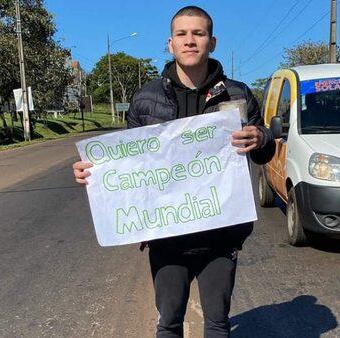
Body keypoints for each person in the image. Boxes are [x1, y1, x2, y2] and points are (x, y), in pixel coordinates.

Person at [72, 6, 275, 337]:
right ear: (170, 43)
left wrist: (261, 136)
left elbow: (265, 152)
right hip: (166, 237)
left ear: (212, 41)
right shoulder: (145, 99)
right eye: (182, 34)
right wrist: (94, 174)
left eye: (198, 33)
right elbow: (127, 168)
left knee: (218, 323)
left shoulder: (238, 95)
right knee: (168, 324)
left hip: (221, 233)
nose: (190, 40)